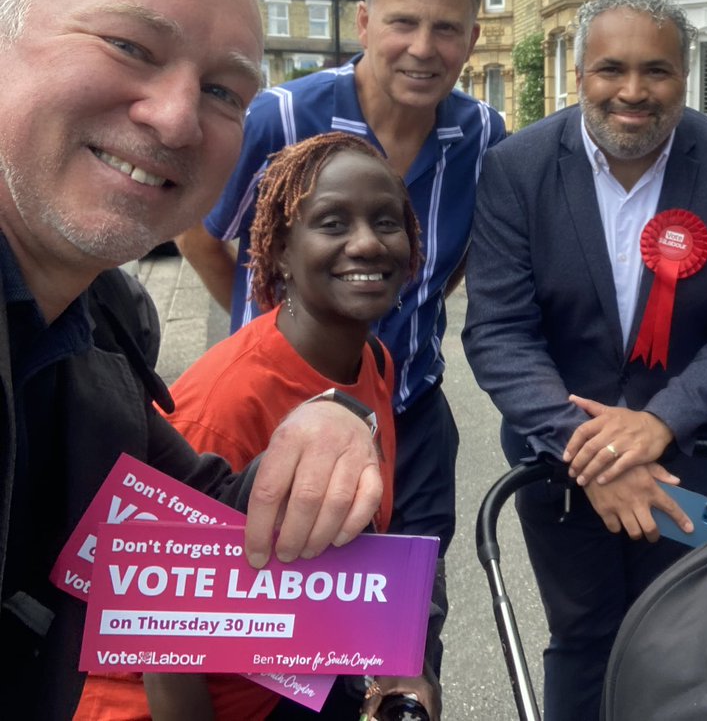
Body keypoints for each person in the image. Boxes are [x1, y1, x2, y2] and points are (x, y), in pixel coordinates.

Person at [0, 0, 384, 721]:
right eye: (129, 45)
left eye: (221, 90)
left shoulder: (101, 335)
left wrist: (335, 416)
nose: (175, 117)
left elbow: (203, 533)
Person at [176, 0, 505, 672]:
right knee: (280, 641)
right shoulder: (282, 118)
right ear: (363, 22)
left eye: (446, 28)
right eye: (403, 22)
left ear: (472, 37)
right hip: (278, 417)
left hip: (410, 415)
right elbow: (202, 230)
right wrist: (265, 320)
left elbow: (444, 264)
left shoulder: (485, 135)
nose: (424, 47)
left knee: (406, 637)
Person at [461, 0, 707, 720]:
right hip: (558, 462)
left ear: (684, 73)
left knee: (681, 637)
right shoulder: (517, 167)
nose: (633, 92)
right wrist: (590, 451)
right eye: (611, 69)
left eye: (657, 71)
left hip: (686, 459)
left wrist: (657, 424)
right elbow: (498, 331)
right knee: (583, 638)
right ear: (579, 72)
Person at [74, 133, 439, 719]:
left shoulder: (374, 363)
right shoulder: (222, 404)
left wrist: (400, 670)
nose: (368, 243)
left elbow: (359, 551)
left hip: (294, 677)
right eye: (333, 222)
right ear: (278, 254)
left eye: (387, 222)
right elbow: (160, 641)